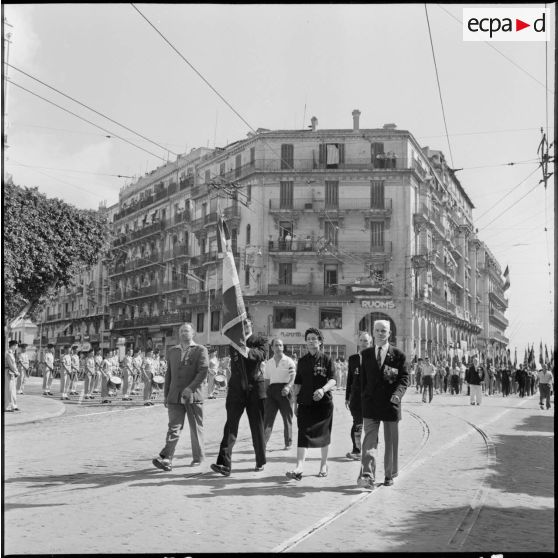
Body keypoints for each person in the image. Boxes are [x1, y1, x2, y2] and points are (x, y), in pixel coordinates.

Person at [211, 319, 267, 477]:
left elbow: (261, 355)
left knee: (257, 426)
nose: (245, 326)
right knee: (230, 425)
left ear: (252, 326)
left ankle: (260, 461)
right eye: (242, 324)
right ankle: (224, 463)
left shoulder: (260, 340)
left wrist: (245, 348)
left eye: (248, 324)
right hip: (237, 389)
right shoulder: (233, 343)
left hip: (256, 388)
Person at [356, 320, 408, 490]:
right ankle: (367, 475)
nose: (380, 333)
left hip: (390, 404)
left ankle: (389, 474)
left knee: (391, 440)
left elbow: (404, 379)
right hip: (370, 404)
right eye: (377, 330)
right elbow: (362, 380)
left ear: (389, 333)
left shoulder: (399, 355)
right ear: (373, 333)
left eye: (383, 331)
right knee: (369, 441)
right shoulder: (366, 354)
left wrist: (397, 395)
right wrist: (361, 398)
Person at [152, 323, 209, 471]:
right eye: (182, 331)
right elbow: (168, 374)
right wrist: (166, 395)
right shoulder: (172, 351)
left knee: (195, 428)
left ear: (193, 333)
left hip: (193, 396)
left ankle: (198, 457)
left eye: (187, 331)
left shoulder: (200, 350)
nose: (184, 333)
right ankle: (167, 458)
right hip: (174, 397)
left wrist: (190, 389)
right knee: (173, 428)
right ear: (179, 334)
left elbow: (203, 372)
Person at [286, 328, 336, 480]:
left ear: (320, 341)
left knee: (324, 435)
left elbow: (333, 379)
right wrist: (294, 404)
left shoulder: (327, 359)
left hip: (323, 404)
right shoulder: (302, 361)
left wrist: (323, 389)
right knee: (303, 434)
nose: (311, 341)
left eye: (314, 338)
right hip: (305, 403)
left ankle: (323, 464)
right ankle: (299, 467)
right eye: (308, 338)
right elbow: (298, 384)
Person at [263, 338, 296, 450]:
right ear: (272, 348)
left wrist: (288, 387)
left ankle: (288, 442)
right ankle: (263, 443)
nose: (278, 348)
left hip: (285, 391)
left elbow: (293, 377)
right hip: (271, 391)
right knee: (268, 418)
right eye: (276, 345)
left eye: (280, 345)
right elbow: (267, 380)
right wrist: (265, 393)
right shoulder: (269, 363)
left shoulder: (288, 361)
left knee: (287, 418)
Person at [345, 331, 372, 460]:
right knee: (357, 423)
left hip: (369, 398)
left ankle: (369, 450)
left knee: (370, 425)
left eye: (366, 341)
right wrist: (347, 397)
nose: (363, 343)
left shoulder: (374, 358)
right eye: (361, 340)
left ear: (370, 343)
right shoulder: (352, 359)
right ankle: (356, 450)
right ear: (358, 342)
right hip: (355, 398)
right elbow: (349, 379)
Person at [4, 340, 20, 412]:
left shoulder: (12, 353)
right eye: (16, 345)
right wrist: (17, 372)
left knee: (13, 390)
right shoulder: (8, 353)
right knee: (8, 390)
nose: (17, 347)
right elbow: (11, 365)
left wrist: (15, 372)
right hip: (8, 372)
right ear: (13, 345)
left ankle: (14, 405)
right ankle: (6, 407)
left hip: (12, 373)